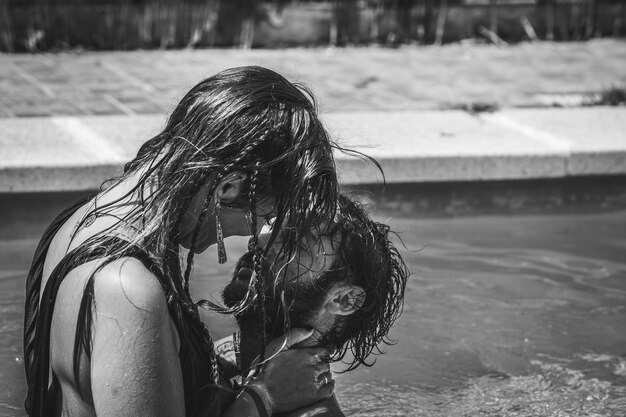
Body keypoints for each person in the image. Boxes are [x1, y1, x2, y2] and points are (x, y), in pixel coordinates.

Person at [23, 66, 344, 417]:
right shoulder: (129, 291)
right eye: (263, 218)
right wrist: (264, 397)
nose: (255, 236)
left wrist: (213, 363)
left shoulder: (83, 219)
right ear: (228, 188)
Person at [215, 194, 410, 416]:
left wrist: (263, 395)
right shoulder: (221, 357)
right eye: (273, 225)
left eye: (295, 242)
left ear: (344, 300)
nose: (259, 241)